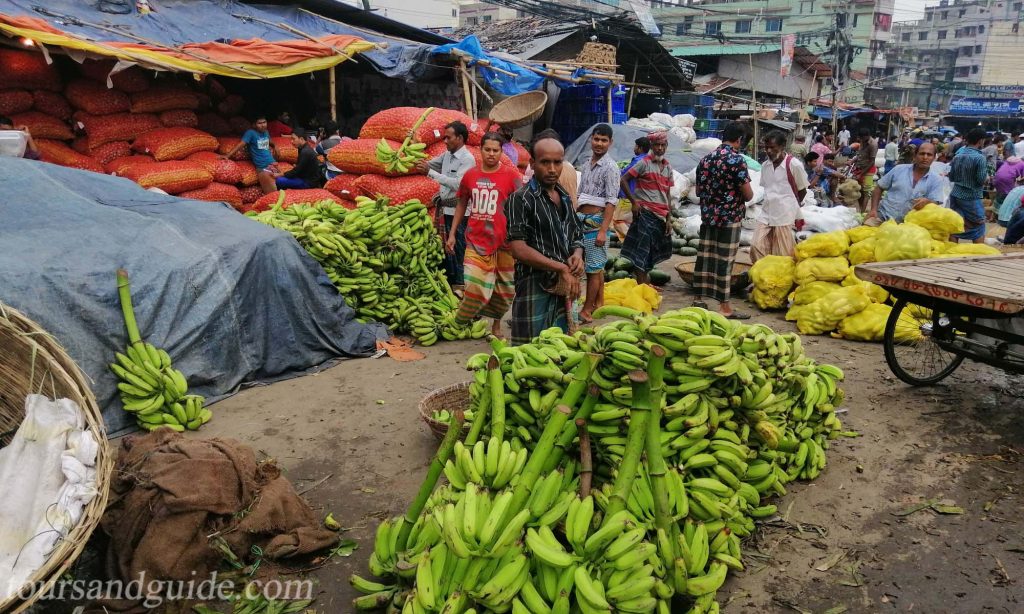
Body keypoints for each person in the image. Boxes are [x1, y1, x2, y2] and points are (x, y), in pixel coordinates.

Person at [506, 135, 585, 344]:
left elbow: (576, 234)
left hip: (563, 286)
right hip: (534, 285)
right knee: (529, 352)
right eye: (545, 162)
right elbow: (518, 249)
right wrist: (560, 267)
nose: (552, 169)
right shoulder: (521, 199)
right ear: (533, 164)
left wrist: (577, 255)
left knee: (562, 348)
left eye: (557, 162)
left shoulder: (565, 196)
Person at [448, 132, 522, 337]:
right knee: (474, 285)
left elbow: (523, 203)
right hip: (476, 240)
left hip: (504, 242)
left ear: (501, 152)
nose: (491, 154)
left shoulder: (511, 176)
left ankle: (496, 325)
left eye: (495, 150)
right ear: (480, 150)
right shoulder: (470, 175)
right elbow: (462, 203)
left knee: (504, 291)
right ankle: (460, 321)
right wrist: (453, 233)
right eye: (487, 150)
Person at [693, 121, 754, 319]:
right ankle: (724, 307)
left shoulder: (705, 160)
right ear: (739, 140)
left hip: (708, 217)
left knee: (705, 257)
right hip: (729, 218)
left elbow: (698, 191)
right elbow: (748, 195)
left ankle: (699, 299)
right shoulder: (737, 161)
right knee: (724, 261)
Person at [416, 121, 475, 289]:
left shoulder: (467, 160)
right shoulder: (447, 155)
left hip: (459, 212)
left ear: (460, 138)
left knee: (458, 250)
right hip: (445, 210)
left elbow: (458, 184)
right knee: (446, 250)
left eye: (448, 137)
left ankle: (462, 286)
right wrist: (413, 152)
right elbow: (430, 164)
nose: (445, 141)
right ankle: (450, 284)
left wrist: (431, 173)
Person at [575, 124, 620, 322]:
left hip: (597, 222)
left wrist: (603, 230)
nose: (599, 143)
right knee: (595, 267)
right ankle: (598, 302)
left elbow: (611, 201)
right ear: (590, 140)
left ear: (610, 143)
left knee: (593, 269)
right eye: (596, 139)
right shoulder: (586, 165)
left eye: (604, 140)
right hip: (582, 220)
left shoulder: (610, 167)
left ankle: (586, 310)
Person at [619, 131, 674, 285]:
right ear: (652, 146)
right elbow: (623, 179)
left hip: (660, 216)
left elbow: (668, 193)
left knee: (650, 253)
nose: (660, 148)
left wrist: (669, 218)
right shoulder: (644, 163)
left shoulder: (668, 167)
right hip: (645, 214)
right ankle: (643, 285)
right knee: (641, 253)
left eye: (663, 145)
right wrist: (634, 202)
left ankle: (645, 284)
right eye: (657, 145)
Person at [750, 130, 808, 262]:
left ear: (782, 147)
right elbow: (766, 188)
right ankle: (764, 272)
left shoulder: (794, 165)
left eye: (772, 147)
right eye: (766, 147)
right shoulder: (765, 166)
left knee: (783, 253)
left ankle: (780, 277)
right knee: (756, 246)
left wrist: (792, 207)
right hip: (767, 212)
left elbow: (802, 190)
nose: (769, 151)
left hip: (784, 214)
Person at [867, 142, 945, 223]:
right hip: (883, 216)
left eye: (929, 155)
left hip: (910, 224)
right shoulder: (898, 169)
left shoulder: (936, 180)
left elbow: (936, 202)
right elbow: (879, 187)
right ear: (915, 155)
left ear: (934, 158)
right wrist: (873, 209)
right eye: (922, 154)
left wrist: (928, 202)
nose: (925, 157)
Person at [948, 127, 990, 243]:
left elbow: (951, 177)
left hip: (955, 194)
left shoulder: (958, 156)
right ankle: (977, 257)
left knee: (955, 224)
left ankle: (952, 253)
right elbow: (981, 180)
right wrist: (987, 178)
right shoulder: (979, 158)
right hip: (971, 196)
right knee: (979, 226)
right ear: (981, 141)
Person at [222, 115, 278, 194]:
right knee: (272, 194)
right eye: (259, 123)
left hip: (273, 164)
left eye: (264, 122)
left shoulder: (266, 132)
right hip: (263, 168)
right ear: (254, 125)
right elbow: (240, 144)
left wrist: (275, 146)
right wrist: (227, 155)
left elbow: (269, 141)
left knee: (283, 189)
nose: (263, 125)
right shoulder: (250, 133)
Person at [851, 129, 878, 211]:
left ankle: (862, 212)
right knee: (859, 191)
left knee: (866, 193)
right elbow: (859, 155)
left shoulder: (873, 145)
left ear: (866, 136)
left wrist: (862, 174)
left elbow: (872, 162)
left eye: (861, 138)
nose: (860, 140)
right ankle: (860, 209)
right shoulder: (862, 142)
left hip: (868, 170)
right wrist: (852, 161)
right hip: (859, 168)